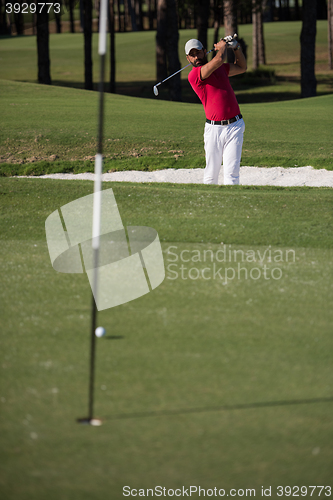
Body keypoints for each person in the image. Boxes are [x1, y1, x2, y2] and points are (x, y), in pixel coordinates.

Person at [185, 38, 247, 185]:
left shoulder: (221, 68)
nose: (196, 57)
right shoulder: (194, 75)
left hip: (235, 126)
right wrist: (222, 47)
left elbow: (242, 67)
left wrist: (236, 47)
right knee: (211, 175)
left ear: (204, 51)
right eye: (192, 55)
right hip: (214, 130)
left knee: (232, 175)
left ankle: (231, 207)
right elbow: (219, 59)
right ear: (188, 58)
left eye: (198, 53)